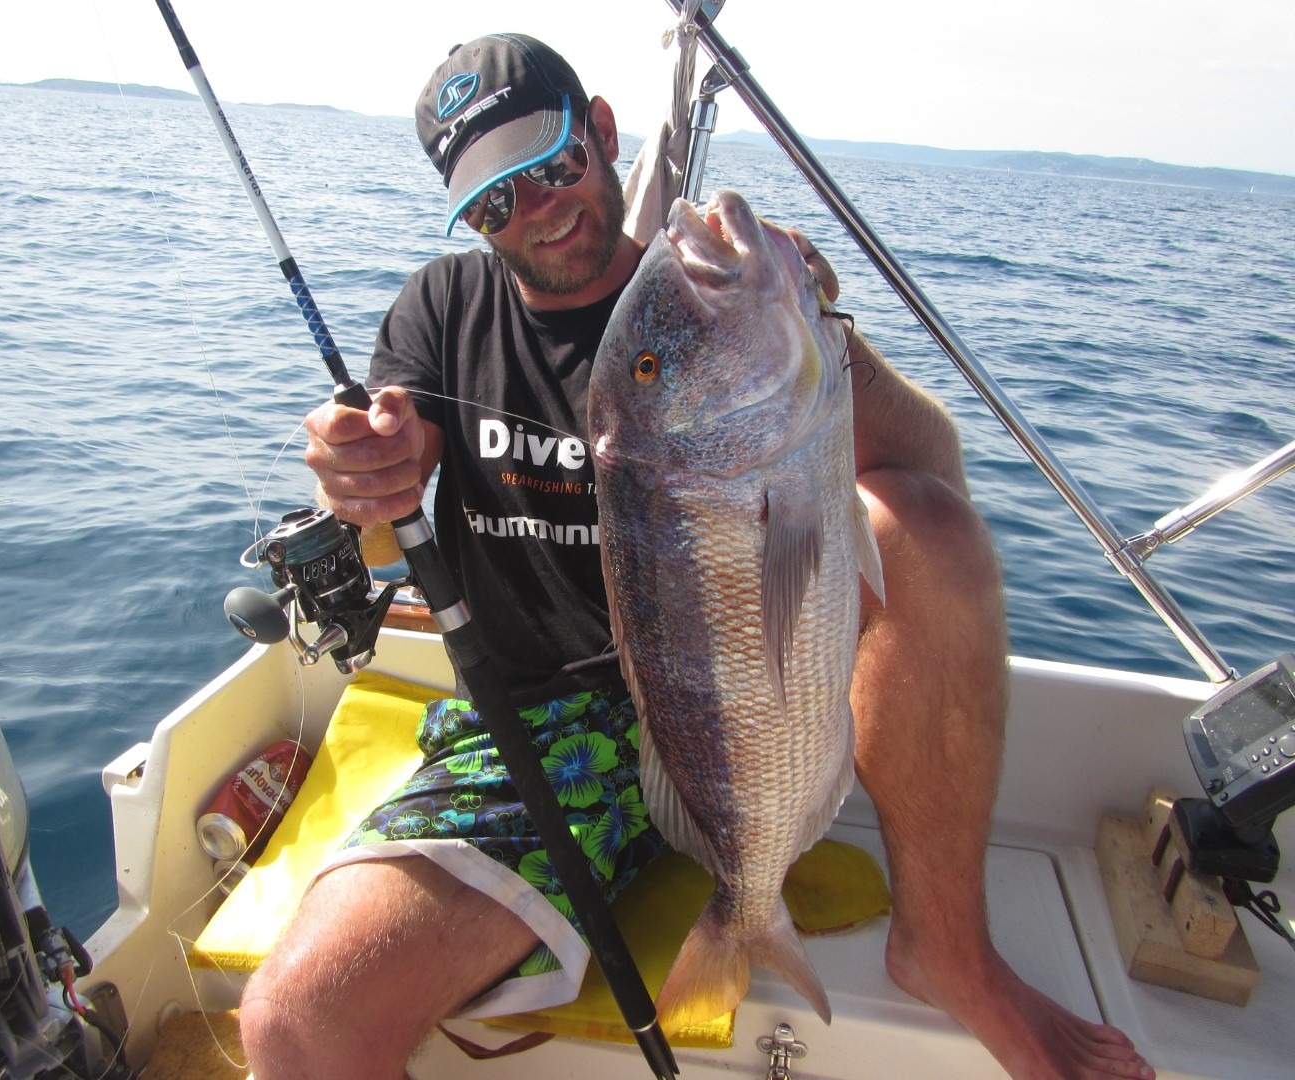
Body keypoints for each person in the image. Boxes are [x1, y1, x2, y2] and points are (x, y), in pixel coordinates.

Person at [238, 33, 1154, 1080]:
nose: (535, 209)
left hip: (740, 705)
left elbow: (933, 469)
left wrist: (817, 330)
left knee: (926, 526)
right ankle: (740, 900)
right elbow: (377, 521)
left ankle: (949, 949)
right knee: (294, 1023)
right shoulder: (443, 308)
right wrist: (362, 477)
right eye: (493, 203)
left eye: (550, 165)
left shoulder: (707, 295)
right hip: (544, 733)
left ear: (601, 130)